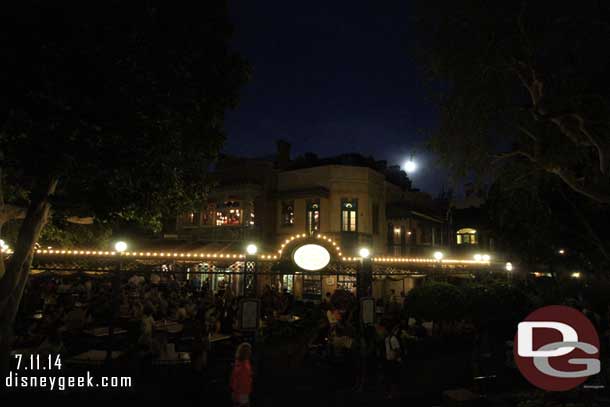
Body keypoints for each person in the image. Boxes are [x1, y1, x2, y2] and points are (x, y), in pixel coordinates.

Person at [230, 342, 253, 407]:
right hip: (242, 391)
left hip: (241, 390)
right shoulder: (243, 366)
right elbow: (239, 381)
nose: (250, 352)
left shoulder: (240, 362)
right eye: (249, 350)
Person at [384, 324, 402, 399]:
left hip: (393, 361)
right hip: (389, 361)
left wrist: (394, 358)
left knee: (393, 378)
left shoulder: (393, 339)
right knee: (391, 378)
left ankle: (393, 393)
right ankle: (393, 393)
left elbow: (398, 351)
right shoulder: (387, 339)